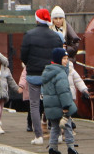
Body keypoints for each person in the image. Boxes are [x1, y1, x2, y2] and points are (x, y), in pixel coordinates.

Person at [20, 8, 63, 146]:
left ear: (36, 19)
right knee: (52, 103)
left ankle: (38, 136)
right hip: (50, 75)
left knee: (34, 104)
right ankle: (58, 135)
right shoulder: (56, 37)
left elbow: (23, 56)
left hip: (34, 75)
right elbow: (59, 56)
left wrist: (30, 65)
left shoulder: (29, 35)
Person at [41, 48, 79, 154]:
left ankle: (53, 148)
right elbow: (64, 92)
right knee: (67, 126)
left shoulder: (47, 72)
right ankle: (71, 148)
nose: (66, 61)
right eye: (64, 58)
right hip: (60, 106)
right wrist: (66, 107)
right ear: (58, 59)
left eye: (67, 58)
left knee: (54, 127)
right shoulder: (60, 74)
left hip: (50, 106)